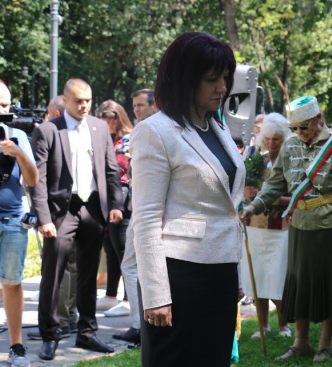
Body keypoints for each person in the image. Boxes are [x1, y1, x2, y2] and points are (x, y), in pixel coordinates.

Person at [130, 32, 244, 367]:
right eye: (212, 80)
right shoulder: (155, 131)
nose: (222, 88)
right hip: (178, 278)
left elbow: (226, 209)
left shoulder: (217, 127)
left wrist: (233, 274)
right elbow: (147, 218)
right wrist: (155, 295)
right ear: (185, 80)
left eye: (225, 78)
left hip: (220, 275)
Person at [241, 96, 332, 362]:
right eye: (294, 128)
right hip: (299, 223)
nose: (299, 133)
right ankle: (300, 343)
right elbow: (275, 184)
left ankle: (325, 345)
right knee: (299, 283)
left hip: (331, 223)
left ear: (319, 119)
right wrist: (255, 205)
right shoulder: (291, 145)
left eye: (304, 127)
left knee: (329, 283)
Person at [31, 78, 124, 360]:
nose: (84, 106)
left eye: (87, 100)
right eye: (78, 101)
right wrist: (43, 217)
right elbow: (38, 180)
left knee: (88, 274)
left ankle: (87, 333)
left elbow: (110, 171)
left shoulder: (99, 128)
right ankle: (50, 334)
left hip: (93, 209)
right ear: (66, 100)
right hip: (61, 211)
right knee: (53, 273)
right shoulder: (48, 130)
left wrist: (116, 204)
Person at [27, 96, 81, 342]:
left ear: (58, 113)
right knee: (67, 266)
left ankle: (61, 320)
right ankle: (66, 318)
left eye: (49, 113)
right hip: (63, 213)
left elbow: (41, 177)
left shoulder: (56, 135)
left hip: (62, 213)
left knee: (62, 268)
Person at [241, 112, 292, 339]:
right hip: (256, 227)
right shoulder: (255, 161)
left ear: (285, 139)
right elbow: (243, 192)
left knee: (278, 276)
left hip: (281, 228)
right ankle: (263, 326)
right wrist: (246, 192)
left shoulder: (292, 163)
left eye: (277, 139)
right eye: (268, 138)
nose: (272, 143)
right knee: (258, 276)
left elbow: (303, 195)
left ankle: (284, 326)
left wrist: (280, 200)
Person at [0, 79, 39, 367]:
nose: (5, 108)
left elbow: (33, 179)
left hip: (12, 219)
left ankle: (17, 347)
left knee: (12, 282)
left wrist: (19, 153)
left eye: (6, 103)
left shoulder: (16, 133)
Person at [118, 88, 158, 344]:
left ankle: (140, 326)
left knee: (133, 266)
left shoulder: (151, 130)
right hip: (142, 208)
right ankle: (141, 324)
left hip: (148, 210)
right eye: (133, 106)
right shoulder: (147, 130)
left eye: (140, 105)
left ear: (154, 106)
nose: (136, 110)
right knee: (134, 266)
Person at [94, 100, 133, 318]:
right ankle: (111, 295)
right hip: (109, 199)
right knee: (110, 249)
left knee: (123, 251)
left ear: (115, 119)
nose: (101, 126)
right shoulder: (111, 139)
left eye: (105, 121)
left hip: (123, 200)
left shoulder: (127, 139)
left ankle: (128, 300)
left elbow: (119, 170)